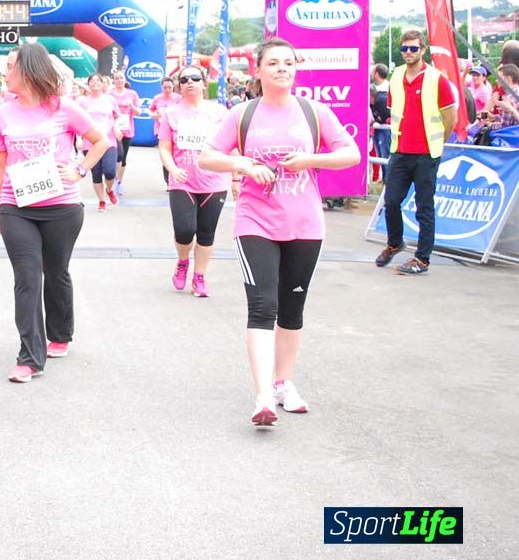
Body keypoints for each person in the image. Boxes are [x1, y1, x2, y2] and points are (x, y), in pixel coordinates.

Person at [199, 37, 360, 426]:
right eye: (273, 63)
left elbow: (351, 153)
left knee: (291, 310)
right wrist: (243, 165)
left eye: (288, 63)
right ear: (258, 70)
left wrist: (310, 159)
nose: (282, 69)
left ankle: (284, 382)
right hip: (256, 221)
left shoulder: (313, 112)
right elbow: (207, 157)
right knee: (262, 307)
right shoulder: (243, 114)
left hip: (304, 223)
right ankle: (263, 396)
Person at [0, 43, 111, 382]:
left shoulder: (64, 107)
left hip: (61, 206)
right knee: (27, 277)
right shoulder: (3, 113)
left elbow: (100, 140)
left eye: (10, 65)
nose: (5, 72)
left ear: (28, 70)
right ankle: (29, 356)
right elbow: (0, 163)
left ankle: (60, 333)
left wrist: (79, 168)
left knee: (56, 271)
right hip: (18, 206)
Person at [375, 30, 458, 275]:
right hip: (400, 150)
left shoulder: (436, 79)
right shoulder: (397, 75)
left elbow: (449, 117)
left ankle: (422, 259)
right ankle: (394, 242)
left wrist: (437, 143)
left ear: (423, 50)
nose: (408, 53)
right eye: (405, 49)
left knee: (424, 208)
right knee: (390, 201)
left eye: (413, 48)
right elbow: (395, 111)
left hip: (426, 154)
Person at [158, 67, 232, 297]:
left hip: (214, 181)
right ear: (180, 85)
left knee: (206, 233)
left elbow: (230, 145)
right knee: (184, 230)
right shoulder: (171, 114)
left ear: (204, 82)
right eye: (184, 79)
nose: (189, 82)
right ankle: (182, 262)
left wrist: (237, 177)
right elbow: (164, 147)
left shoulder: (219, 112)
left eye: (195, 78)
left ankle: (199, 277)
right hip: (183, 180)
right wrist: (172, 169)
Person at [77, 73, 120, 211]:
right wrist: (78, 138)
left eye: (98, 81)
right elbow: (77, 121)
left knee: (109, 171)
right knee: (96, 173)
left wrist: (118, 127)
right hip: (90, 142)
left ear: (103, 84)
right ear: (88, 84)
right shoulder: (82, 101)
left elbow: (118, 116)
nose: (95, 83)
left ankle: (109, 190)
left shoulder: (110, 100)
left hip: (108, 141)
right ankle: (102, 201)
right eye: (92, 81)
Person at [109, 70, 140, 196]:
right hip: (112, 129)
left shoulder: (132, 94)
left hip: (127, 129)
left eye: (121, 78)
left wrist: (132, 106)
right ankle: (112, 179)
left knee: (123, 157)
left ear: (125, 79)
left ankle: (119, 182)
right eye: (117, 78)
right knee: (118, 155)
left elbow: (138, 112)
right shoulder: (109, 95)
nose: (119, 80)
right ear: (114, 80)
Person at [371, 64, 391, 181]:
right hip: (378, 128)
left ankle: (387, 179)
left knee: (385, 153)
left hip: (385, 127)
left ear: (377, 73)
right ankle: (384, 178)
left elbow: (387, 111)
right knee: (379, 153)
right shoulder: (373, 87)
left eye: (373, 72)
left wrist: (379, 119)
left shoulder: (389, 88)